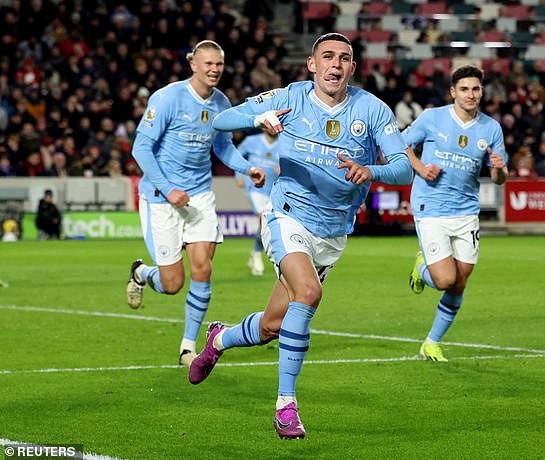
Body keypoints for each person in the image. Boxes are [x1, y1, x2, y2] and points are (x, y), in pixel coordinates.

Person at [188, 33, 413, 439]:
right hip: (286, 214)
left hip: (332, 232)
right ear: (312, 64)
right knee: (308, 293)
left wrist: (371, 171)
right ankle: (285, 406)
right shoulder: (289, 97)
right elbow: (221, 120)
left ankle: (220, 339)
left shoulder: (373, 110)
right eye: (327, 56)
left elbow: (403, 168)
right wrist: (257, 118)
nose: (335, 64)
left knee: (273, 325)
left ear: (352, 68)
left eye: (344, 58)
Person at [125, 40, 266, 367]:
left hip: (200, 195)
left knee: (203, 268)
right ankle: (141, 274)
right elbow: (141, 149)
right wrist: (169, 188)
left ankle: (188, 349)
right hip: (161, 198)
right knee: (172, 283)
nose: (214, 69)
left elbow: (224, 148)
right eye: (208, 63)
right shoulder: (168, 98)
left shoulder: (221, 103)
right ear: (193, 64)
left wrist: (248, 167)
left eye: (219, 64)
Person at [404, 65, 508, 362]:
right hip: (431, 207)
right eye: (464, 89)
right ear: (453, 92)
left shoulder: (491, 128)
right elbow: (402, 145)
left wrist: (499, 168)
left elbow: (501, 178)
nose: (470, 94)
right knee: (445, 280)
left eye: (475, 89)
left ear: (482, 91)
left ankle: (431, 342)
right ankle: (421, 269)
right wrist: (421, 168)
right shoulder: (432, 118)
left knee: (460, 281)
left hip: (466, 212)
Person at [235, 130, 280, 276]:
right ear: (264, 127)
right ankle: (258, 256)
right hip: (254, 187)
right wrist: (239, 174)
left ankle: (255, 251)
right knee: (263, 219)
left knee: (267, 223)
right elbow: (237, 155)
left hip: (274, 188)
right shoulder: (251, 141)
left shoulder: (285, 142)